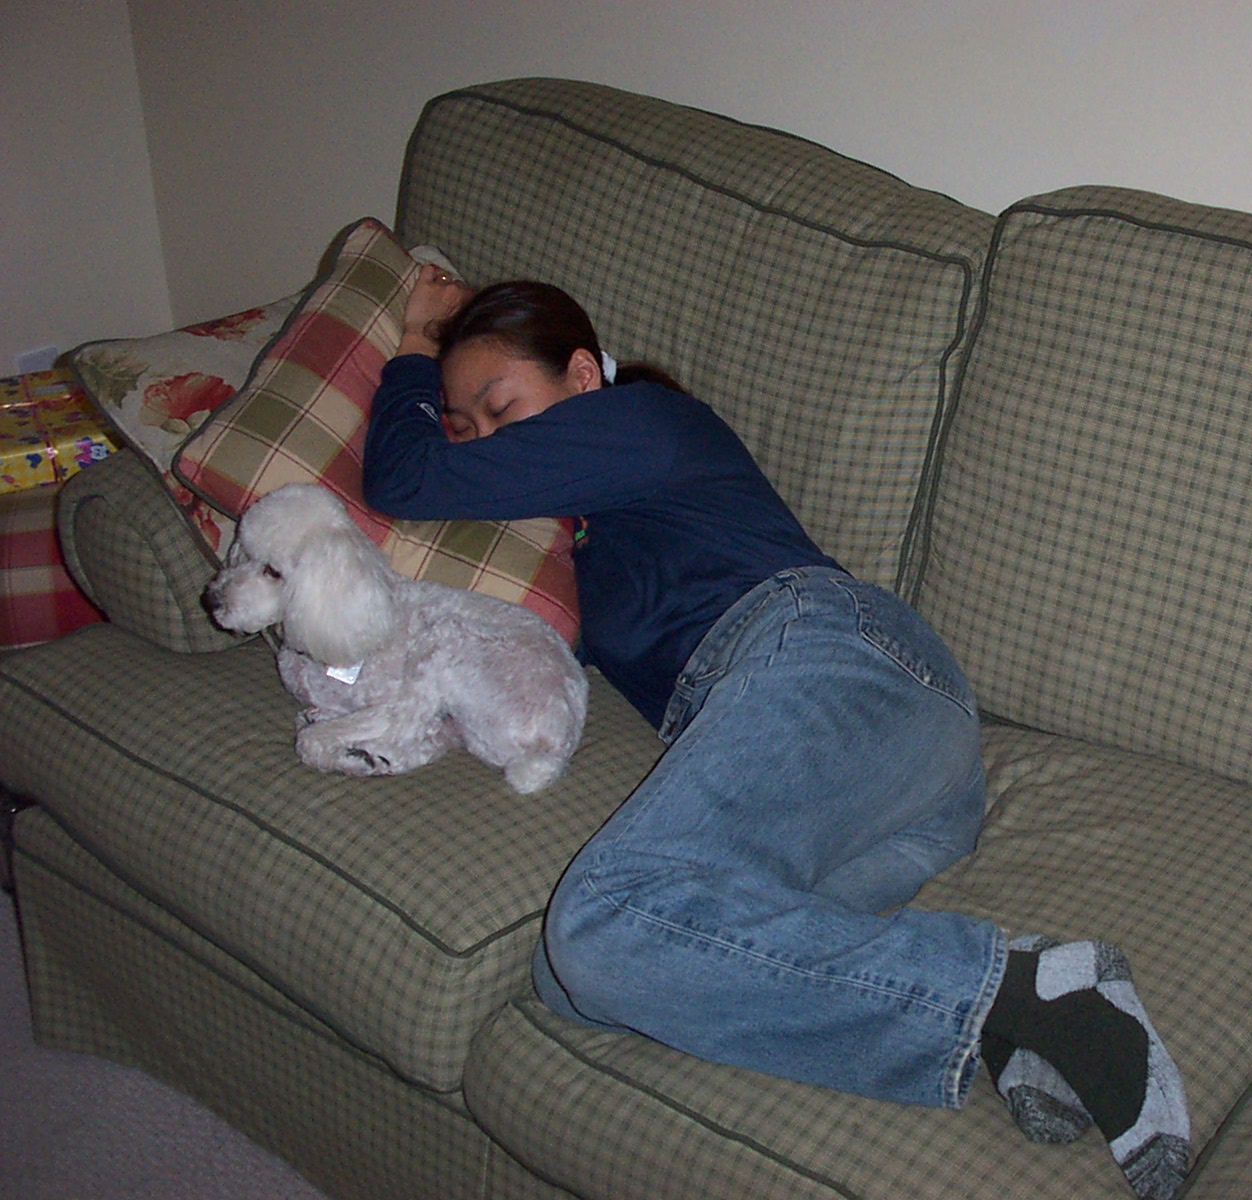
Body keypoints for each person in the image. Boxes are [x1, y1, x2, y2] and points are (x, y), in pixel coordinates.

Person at [362, 271, 1191, 1199]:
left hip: (836, 659)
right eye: (462, 426)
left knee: (599, 920)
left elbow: (404, 477)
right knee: (580, 981)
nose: (485, 442)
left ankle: (1034, 992)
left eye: (500, 407)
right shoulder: (594, 532)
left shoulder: (640, 423)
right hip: (908, 788)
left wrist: (417, 349)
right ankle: (1005, 1019)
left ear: (584, 377)